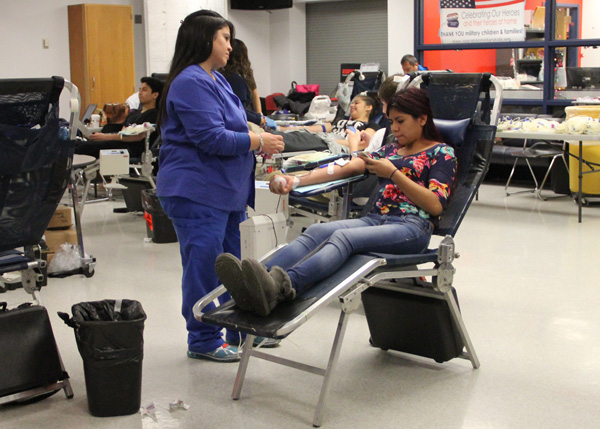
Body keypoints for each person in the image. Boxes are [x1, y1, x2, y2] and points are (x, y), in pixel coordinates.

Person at [215, 87, 457, 317]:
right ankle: (255, 282)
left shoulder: (441, 153)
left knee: (343, 238)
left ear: (422, 119)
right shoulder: (392, 149)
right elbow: (348, 166)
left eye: (400, 121)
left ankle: (281, 288)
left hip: (412, 227)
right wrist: (296, 180)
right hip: (376, 220)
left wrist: (393, 173)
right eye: (391, 121)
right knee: (317, 230)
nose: (394, 128)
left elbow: (436, 204)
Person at [155, 10, 284, 362]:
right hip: (196, 192)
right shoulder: (189, 82)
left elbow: (238, 124)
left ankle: (239, 331)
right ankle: (204, 340)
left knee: (232, 268)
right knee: (204, 268)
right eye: (224, 38)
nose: (230, 46)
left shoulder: (219, 79)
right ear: (204, 40)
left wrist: (257, 133)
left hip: (224, 192)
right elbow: (211, 138)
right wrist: (258, 143)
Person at [76, 76, 164, 158]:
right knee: (76, 144)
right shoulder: (134, 113)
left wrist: (105, 137)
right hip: (119, 143)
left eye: (144, 90)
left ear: (155, 95)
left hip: (131, 148)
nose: (140, 93)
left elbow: (138, 136)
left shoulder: (155, 115)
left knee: (81, 147)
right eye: (139, 89)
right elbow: (123, 130)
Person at [277, 94, 382, 152]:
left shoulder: (371, 126)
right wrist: (284, 129)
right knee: (298, 135)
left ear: (369, 107)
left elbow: (363, 144)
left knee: (294, 140)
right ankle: (271, 135)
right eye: (351, 103)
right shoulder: (340, 121)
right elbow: (314, 129)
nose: (352, 105)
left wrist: (332, 140)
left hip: (333, 143)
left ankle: (267, 140)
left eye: (357, 103)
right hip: (323, 137)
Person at [220, 39, 266, 127]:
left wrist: (260, 116)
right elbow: (239, 112)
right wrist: (259, 119)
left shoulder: (223, 75)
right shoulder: (235, 80)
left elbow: (254, 92)